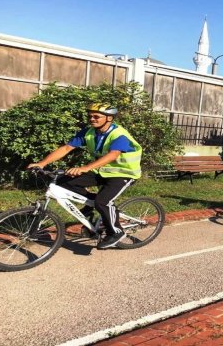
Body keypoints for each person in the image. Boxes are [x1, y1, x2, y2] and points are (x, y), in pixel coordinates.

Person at [27, 103, 142, 249]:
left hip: (124, 173)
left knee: (102, 202)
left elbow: (113, 154)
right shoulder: (89, 132)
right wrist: (42, 163)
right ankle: (90, 207)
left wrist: (85, 168)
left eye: (96, 116)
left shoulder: (119, 135)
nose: (92, 119)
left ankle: (115, 232)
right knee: (63, 182)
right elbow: (67, 148)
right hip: (102, 170)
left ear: (109, 118)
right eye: (90, 116)